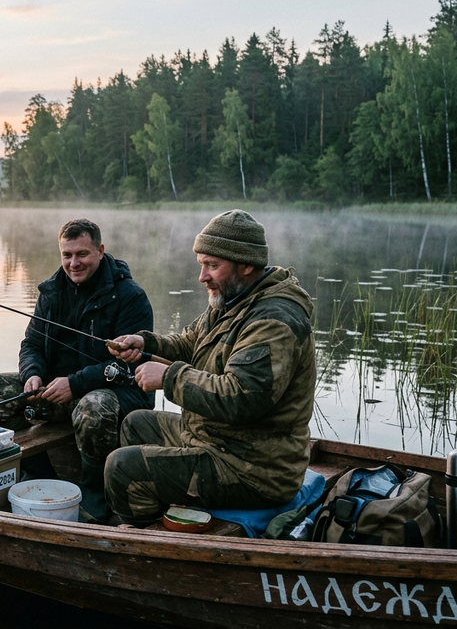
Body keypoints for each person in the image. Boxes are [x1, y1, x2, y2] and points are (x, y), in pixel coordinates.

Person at [104, 209, 315, 527]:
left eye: (212, 266)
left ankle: (148, 540)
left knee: (122, 467)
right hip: (216, 439)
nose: (202, 276)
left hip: (254, 467)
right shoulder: (233, 299)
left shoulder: (274, 320)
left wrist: (169, 377)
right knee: (136, 424)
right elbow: (190, 342)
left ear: (246, 264)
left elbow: (243, 397)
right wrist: (145, 343)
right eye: (202, 264)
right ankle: (163, 509)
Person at [0, 219, 154, 522]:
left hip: (117, 395)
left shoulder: (130, 297)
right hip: (57, 391)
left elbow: (129, 364)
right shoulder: (51, 291)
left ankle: (95, 495)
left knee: (91, 407)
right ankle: (38, 474)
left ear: (100, 250)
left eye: (82, 254)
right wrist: (31, 374)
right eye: (67, 255)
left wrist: (74, 383)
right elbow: (31, 343)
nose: (74, 263)